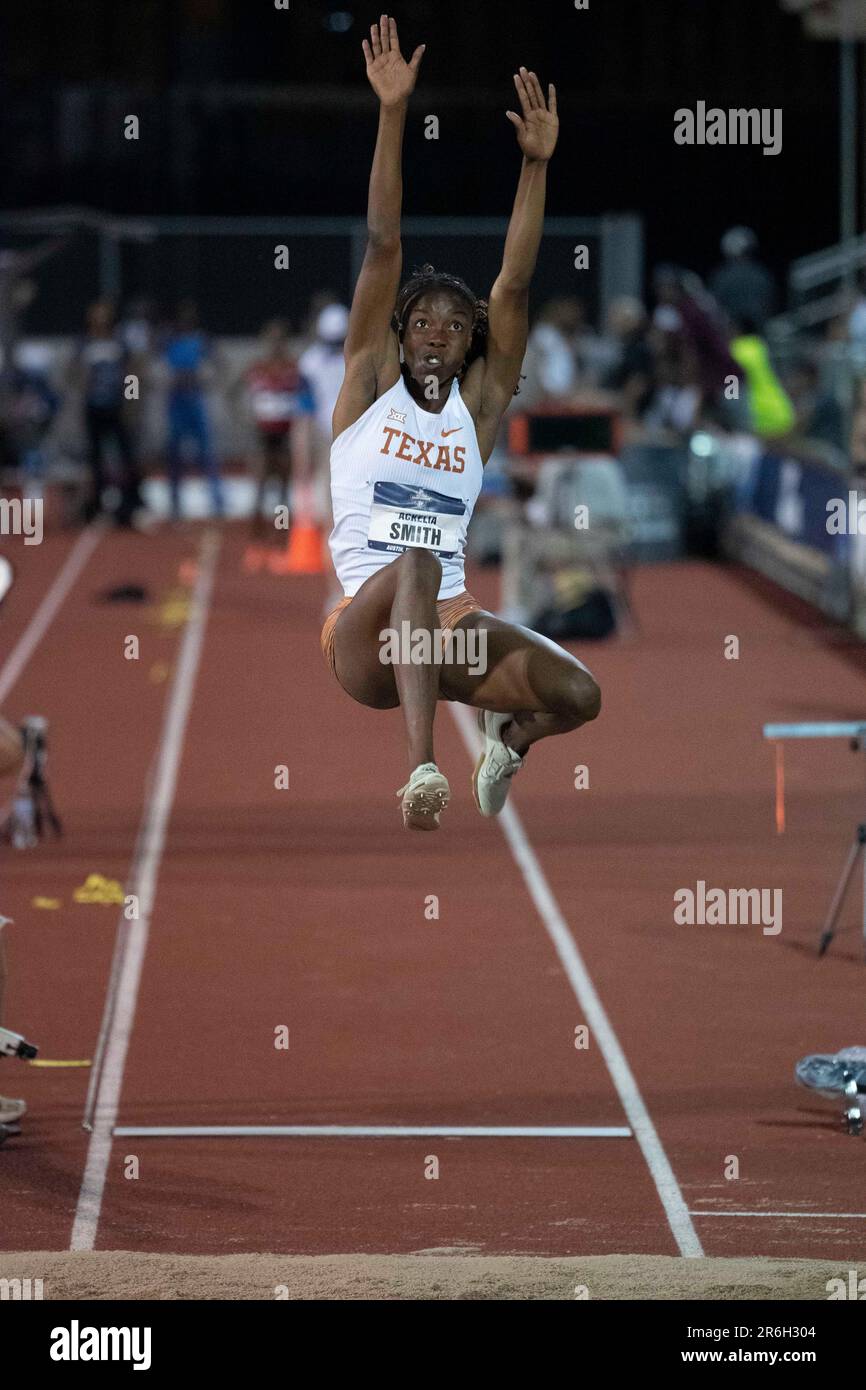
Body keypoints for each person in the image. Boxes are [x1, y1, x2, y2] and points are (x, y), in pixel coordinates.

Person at [320, 16, 600, 832]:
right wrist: (393, 113)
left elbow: (513, 284)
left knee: (580, 695)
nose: (438, 330)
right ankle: (419, 769)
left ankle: (505, 738)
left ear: (470, 340)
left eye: (454, 323)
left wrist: (536, 166)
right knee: (414, 553)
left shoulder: (478, 414)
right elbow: (383, 243)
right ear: (399, 336)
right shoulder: (369, 389)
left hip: (449, 632)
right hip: (366, 643)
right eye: (423, 322)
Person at [72, 300, 144, 525]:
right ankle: (96, 504)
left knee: (125, 456)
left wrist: (131, 402)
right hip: (94, 407)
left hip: (117, 407)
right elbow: (74, 374)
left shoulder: (119, 343)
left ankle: (130, 503)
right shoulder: (84, 343)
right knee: (96, 459)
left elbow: (132, 373)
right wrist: (81, 393)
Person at [244, 320, 315, 535]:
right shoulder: (258, 367)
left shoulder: (294, 368)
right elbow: (234, 391)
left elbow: (307, 395)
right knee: (262, 480)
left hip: (286, 431)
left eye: (280, 340)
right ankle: (256, 530)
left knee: (284, 484)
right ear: (266, 342)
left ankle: (281, 529)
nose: (276, 345)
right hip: (264, 432)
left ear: (285, 342)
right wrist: (245, 416)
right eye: (272, 340)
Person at [162, 300, 225, 520]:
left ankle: (217, 500)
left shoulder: (201, 341)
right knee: (174, 454)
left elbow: (219, 363)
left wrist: (208, 377)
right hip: (177, 400)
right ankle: (174, 502)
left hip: (195, 399)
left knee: (206, 452)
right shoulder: (170, 341)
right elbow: (158, 367)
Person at [709, 227, 776, 333]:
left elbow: (714, 309)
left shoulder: (720, 277)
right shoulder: (760, 273)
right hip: (760, 335)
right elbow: (770, 304)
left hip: (732, 337)